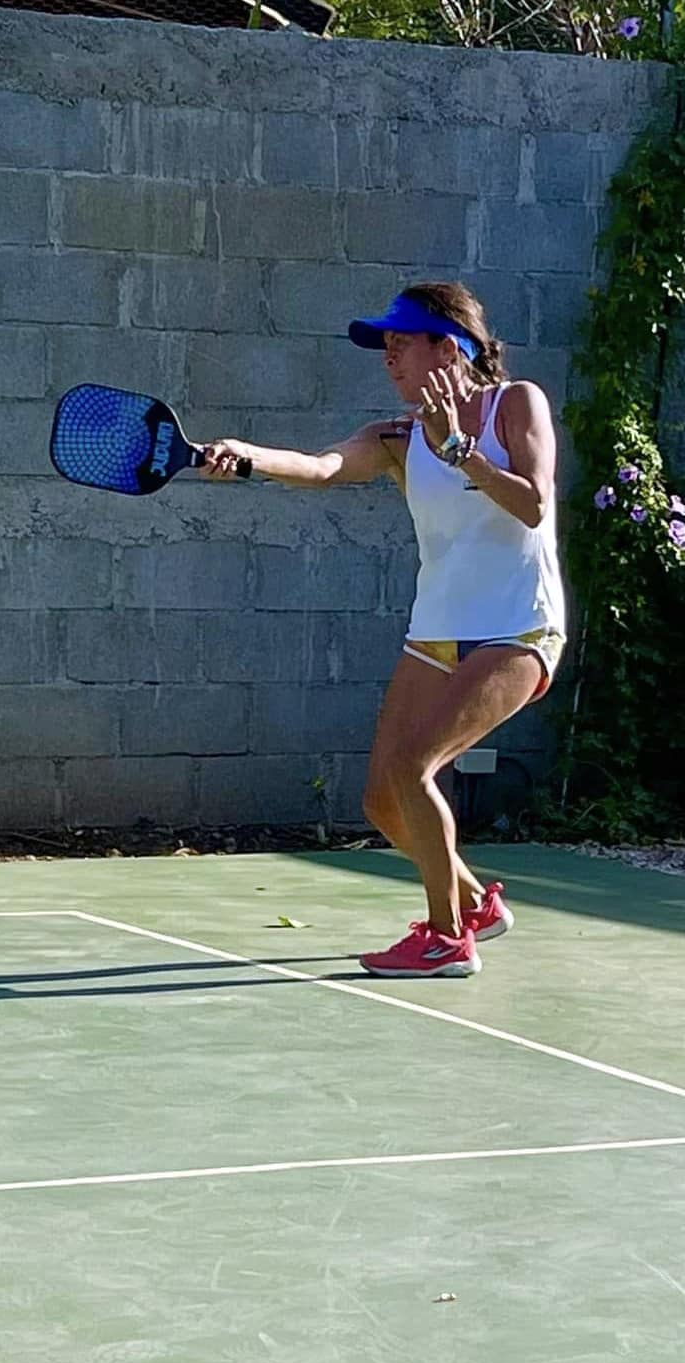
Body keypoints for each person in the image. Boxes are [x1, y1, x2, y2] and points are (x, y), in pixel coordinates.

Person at [194, 282, 566, 978]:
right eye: (385, 349)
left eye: (400, 345)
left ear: (448, 346)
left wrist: (463, 452)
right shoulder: (395, 438)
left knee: (413, 768)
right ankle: (475, 903)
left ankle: (447, 939)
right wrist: (245, 455)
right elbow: (322, 467)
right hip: (437, 631)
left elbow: (535, 505)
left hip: (520, 627)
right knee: (380, 798)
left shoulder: (517, 404)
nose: (388, 360)